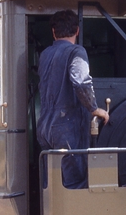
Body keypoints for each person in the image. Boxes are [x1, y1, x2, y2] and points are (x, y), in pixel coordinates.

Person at [37, 10, 109, 189]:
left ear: (53, 32)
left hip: (45, 126)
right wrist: (95, 109)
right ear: (77, 31)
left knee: (51, 184)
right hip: (67, 127)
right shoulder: (76, 52)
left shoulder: (45, 54)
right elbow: (81, 82)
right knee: (74, 184)